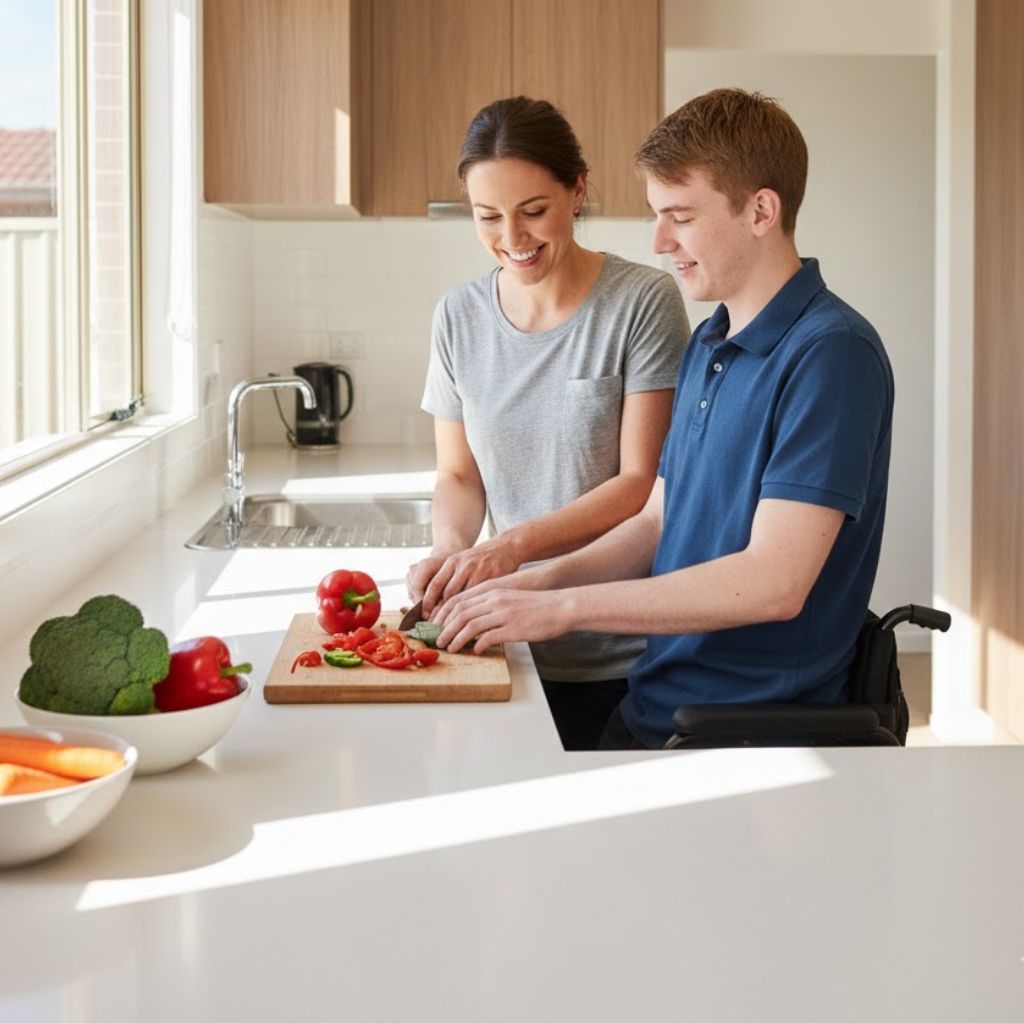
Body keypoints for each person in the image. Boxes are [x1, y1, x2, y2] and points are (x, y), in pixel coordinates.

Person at [433, 88, 895, 750]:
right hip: (662, 699)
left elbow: (775, 583)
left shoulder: (831, 354)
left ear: (761, 210)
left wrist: (559, 608)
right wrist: (526, 584)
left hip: (749, 727)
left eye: (679, 216)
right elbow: (656, 519)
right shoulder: (712, 341)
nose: (659, 241)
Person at [410, 96, 690, 750]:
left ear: (577, 189)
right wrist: (453, 551)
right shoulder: (458, 317)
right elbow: (457, 472)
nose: (513, 239)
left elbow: (639, 482)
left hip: (615, 650)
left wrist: (510, 547)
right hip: (505, 641)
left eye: (533, 211)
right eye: (488, 218)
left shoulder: (642, 303)